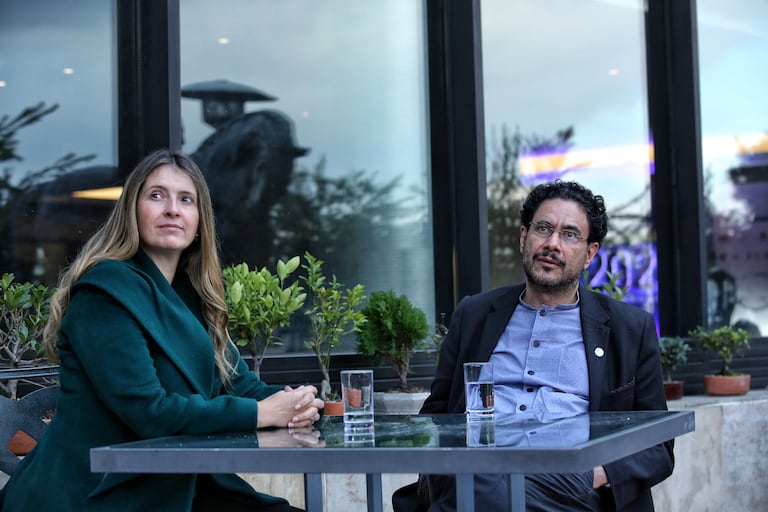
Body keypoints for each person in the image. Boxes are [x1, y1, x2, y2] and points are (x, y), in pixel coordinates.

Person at [0, 149, 324, 512]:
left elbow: (239, 383)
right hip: (100, 493)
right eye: (156, 195)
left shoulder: (191, 296)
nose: (172, 209)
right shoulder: (105, 293)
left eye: (186, 199)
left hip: (180, 483)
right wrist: (264, 414)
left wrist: (300, 403)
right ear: (132, 212)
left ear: (200, 220)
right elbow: (148, 411)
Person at [393, 180, 673, 512]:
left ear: (590, 254)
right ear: (524, 237)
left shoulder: (629, 329)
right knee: (484, 475)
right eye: (543, 229)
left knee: (482, 484)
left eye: (570, 234)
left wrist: (598, 472)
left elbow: (659, 443)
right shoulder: (475, 314)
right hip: (471, 466)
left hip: (569, 479)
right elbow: (437, 415)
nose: (553, 243)